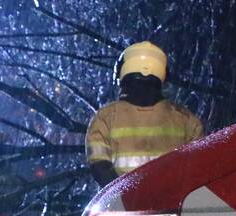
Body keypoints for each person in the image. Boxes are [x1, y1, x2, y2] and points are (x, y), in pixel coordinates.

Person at [85, 41, 203, 187]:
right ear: (163, 75)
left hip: (124, 207)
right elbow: (199, 167)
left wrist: (125, 197)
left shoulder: (104, 119)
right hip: (175, 205)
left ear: (122, 73)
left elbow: (99, 167)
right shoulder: (186, 120)